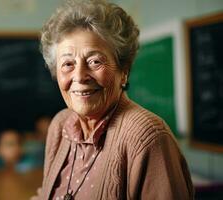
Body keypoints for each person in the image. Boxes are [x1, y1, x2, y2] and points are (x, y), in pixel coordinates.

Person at [32, 0, 194, 199]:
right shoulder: (60, 125)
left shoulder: (147, 138)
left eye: (94, 61)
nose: (80, 76)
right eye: (67, 64)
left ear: (123, 71)